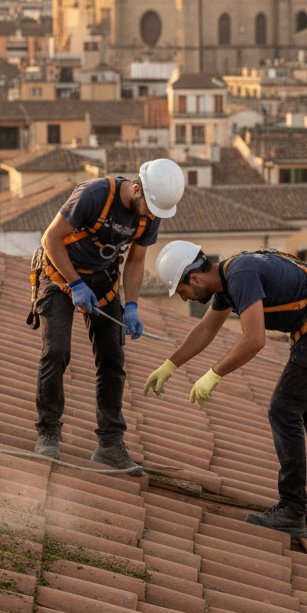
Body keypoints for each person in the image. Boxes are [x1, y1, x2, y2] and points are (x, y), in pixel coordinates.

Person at [144, 243, 307, 538]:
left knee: (284, 410)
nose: (183, 298)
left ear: (194, 278)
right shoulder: (230, 280)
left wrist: (214, 374)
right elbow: (206, 329)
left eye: (181, 291)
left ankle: (293, 510)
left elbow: (254, 340)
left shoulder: (240, 275)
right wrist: (170, 365)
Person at [27, 159, 185, 474]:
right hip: (59, 276)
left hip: (103, 283)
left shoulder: (150, 215)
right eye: (150, 209)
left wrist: (132, 306)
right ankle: (48, 434)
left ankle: (110, 444)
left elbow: (137, 261)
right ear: (137, 189)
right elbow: (51, 239)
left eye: (156, 214)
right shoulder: (95, 194)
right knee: (56, 351)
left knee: (113, 360)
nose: (152, 217)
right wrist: (75, 284)